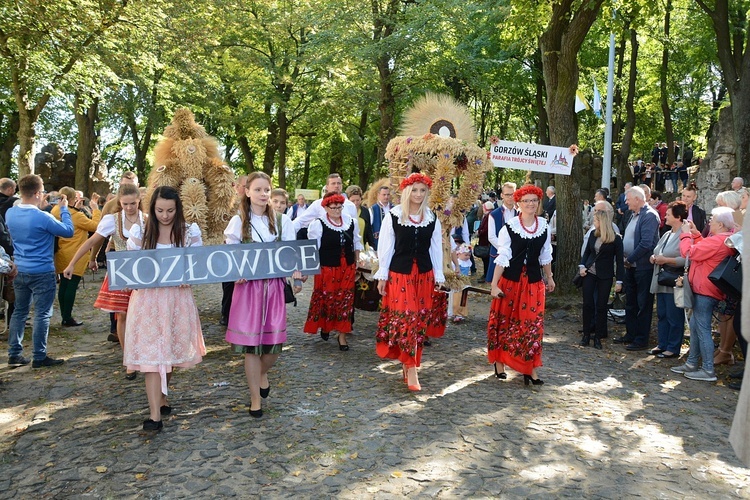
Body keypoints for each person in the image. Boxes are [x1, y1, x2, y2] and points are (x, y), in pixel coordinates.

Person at [124, 186, 205, 431]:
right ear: (152, 209)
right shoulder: (141, 231)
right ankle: (154, 414)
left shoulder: (189, 232)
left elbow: (200, 264)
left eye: (170, 210)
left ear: (177, 209)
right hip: (147, 302)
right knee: (151, 357)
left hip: (177, 300)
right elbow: (130, 266)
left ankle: (162, 396)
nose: (165, 215)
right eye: (160, 210)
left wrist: (188, 275)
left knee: (168, 354)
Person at [224, 172, 300, 418]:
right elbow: (230, 254)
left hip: (274, 288)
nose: (263, 194)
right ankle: (255, 399)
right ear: (247, 191)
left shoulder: (281, 221)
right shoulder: (238, 221)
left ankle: (262, 374)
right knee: (250, 347)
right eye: (257, 189)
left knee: (274, 347)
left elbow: (290, 252)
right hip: (248, 290)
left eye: (266, 189)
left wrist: (296, 275)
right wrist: (236, 272)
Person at [374, 173, 444, 391]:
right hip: (400, 274)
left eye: (422, 190)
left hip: (424, 275)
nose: (418, 194)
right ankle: (412, 367)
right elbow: (385, 247)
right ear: (406, 191)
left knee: (419, 320)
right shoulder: (394, 215)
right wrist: (382, 275)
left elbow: (435, 248)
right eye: (414, 190)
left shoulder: (432, 218)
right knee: (407, 318)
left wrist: (439, 274)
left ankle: (409, 362)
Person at [63, 184, 143, 368]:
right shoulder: (112, 220)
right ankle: (128, 358)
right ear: (119, 202)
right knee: (121, 315)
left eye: (133, 203)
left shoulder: (147, 219)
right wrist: (72, 263)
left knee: (140, 314)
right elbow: (92, 241)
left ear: (139, 201)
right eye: (125, 204)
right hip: (121, 271)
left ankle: (141, 351)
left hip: (142, 273)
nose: (129, 207)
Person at [488, 184, 554, 385]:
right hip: (511, 281)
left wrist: (549, 277)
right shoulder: (510, 227)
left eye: (534, 200)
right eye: (526, 201)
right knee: (505, 322)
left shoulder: (543, 225)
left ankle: (530, 368)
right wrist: (494, 284)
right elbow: (503, 256)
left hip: (533, 282)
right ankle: (499, 362)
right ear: (518, 203)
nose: (531, 204)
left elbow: (545, 254)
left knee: (532, 324)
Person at [6, 175, 74, 368]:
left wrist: (42, 207)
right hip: (42, 270)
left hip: (20, 269)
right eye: (42, 191)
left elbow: (31, 222)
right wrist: (64, 209)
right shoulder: (42, 217)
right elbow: (68, 231)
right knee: (42, 314)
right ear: (37, 193)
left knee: (19, 311)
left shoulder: (11, 213)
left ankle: (14, 353)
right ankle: (39, 355)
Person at [672, 207, 736, 382]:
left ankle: (708, 369)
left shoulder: (718, 241)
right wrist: (697, 234)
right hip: (706, 288)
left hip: (705, 290)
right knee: (695, 326)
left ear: (721, 224)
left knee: (702, 328)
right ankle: (692, 363)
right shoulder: (722, 239)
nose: (709, 222)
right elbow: (704, 249)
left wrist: (685, 234)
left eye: (712, 220)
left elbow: (689, 253)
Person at [304, 192, 362, 350]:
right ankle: (326, 325)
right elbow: (313, 248)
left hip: (347, 267)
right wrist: (307, 269)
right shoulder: (318, 224)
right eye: (334, 207)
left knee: (346, 300)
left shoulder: (351, 221)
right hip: (327, 268)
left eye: (340, 207)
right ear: (326, 208)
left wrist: (356, 262)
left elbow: (356, 242)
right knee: (327, 298)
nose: (337, 210)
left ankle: (342, 336)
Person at [613, 186, 660, 351]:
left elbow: (646, 244)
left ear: (638, 199)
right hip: (631, 266)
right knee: (631, 303)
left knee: (643, 304)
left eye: (628, 199)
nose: (625, 202)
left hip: (643, 267)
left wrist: (629, 259)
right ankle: (631, 334)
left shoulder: (649, 216)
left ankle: (641, 339)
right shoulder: (632, 215)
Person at [52, 187, 102, 327]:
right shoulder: (76, 215)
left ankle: (64, 314)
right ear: (72, 199)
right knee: (72, 286)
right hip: (76, 254)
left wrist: (77, 208)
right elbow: (96, 226)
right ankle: (67, 317)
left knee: (63, 285)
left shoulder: (55, 210)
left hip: (61, 253)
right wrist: (95, 210)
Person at [647, 201, 688, 359]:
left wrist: (666, 260)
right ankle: (662, 343)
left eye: (668, 214)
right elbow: (658, 250)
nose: (665, 216)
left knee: (673, 315)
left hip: (673, 281)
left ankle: (673, 346)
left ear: (678, 217)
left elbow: (686, 259)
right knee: (662, 314)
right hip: (661, 279)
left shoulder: (684, 235)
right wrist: (654, 257)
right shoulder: (667, 233)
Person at [579, 207, 624, 349]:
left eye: (595, 220)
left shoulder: (615, 239)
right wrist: (581, 266)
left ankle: (598, 336)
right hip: (590, 273)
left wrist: (619, 281)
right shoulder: (592, 234)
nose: (593, 222)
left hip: (605, 275)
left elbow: (620, 261)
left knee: (601, 306)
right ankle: (586, 334)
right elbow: (586, 253)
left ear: (602, 221)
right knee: (587, 304)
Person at [220, 173, 248, 326]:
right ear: (237, 187)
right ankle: (226, 313)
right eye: (245, 186)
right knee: (229, 283)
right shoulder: (229, 204)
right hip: (228, 248)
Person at [486, 182, 517, 283]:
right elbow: (491, 237)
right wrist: (504, 249)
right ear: (502, 195)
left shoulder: (520, 213)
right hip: (499, 253)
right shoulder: (494, 214)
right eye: (507, 194)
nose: (510, 197)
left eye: (512, 194)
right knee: (498, 283)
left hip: (516, 254)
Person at [346, 185, 374, 249]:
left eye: (358, 200)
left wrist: (372, 247)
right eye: (353, 201)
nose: (355, 203)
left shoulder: (365, 211)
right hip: (349, 248)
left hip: (362, 248)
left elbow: (369, 231)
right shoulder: (345, 212)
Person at [368, 185, 393, 250]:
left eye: (388, 194)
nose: (386, 197)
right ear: (378, 195)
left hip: (392, 243)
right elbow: (368, 228)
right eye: (384, 194)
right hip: (378, 243)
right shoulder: (373, 209)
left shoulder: (394, 208)